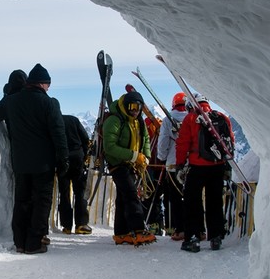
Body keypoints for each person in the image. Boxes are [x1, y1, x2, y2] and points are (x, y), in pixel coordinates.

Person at [0, 64, 69, 254]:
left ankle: (20, 242)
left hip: (21, 163)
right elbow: (58, 134)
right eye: (48, 84)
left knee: (22, 200)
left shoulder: (12, 101)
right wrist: (63, 159)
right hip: (44, 164)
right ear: (42, 83)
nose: (48, 88)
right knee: (41, 201)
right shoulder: (50, 104)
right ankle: (35, 242)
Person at [174, 95, 234, 252]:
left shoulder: (191, 118)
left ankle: (192, 238)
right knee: (214, 201)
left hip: (197, 166)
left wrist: (180, 165)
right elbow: (229, 142)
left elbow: (182, 144)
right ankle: (216, 237)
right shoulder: (221, 117)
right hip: (218, 166)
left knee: (192, 202)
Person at [102, 91, 156, 246]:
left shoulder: (138, 121)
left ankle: (121, 233)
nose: (135, 110)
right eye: (132, 107)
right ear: (125, 106)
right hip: (117, 164)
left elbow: (145, 138)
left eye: (138, 107)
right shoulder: (114, 120)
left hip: (131, 164)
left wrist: (144, 156)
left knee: (123, 196)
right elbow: (110, 147)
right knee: (131, 194)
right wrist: (134, 156)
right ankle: (138, 230)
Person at [156, 92, 189, 241]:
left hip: (173, 163)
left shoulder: (168, 120)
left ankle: (180, 229)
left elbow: (162, 142)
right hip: (192, 163)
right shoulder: (193, 117)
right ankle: (197, 228)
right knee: (191, 197)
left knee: (175, 198)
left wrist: (162, 157)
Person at [58, 114, 92, 234]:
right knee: (80, 192)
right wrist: (83, 154)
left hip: (62, 159)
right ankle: (81, 224)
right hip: (77, 159)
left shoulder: (54, 120)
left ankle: (66, 226)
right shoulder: (74, 120)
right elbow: (86, 139)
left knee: (64, 193)